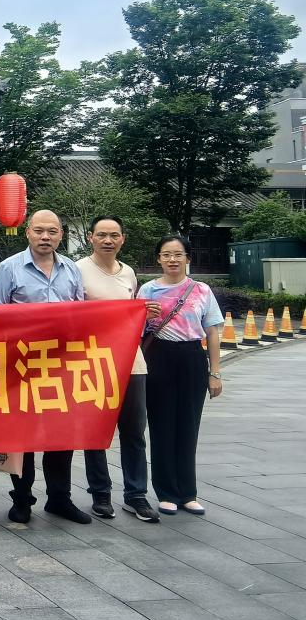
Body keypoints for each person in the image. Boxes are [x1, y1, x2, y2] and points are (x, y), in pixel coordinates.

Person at [0, 209, 92, 524]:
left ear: (61, 234)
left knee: (61, 433)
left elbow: (80, 314)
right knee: (23, 435)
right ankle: (22, 499)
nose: (45, 237)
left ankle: (60, 499)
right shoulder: (9, 268)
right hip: (22, 365)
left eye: (52, 231)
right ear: (28, 233)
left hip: (62, 366)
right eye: (39, 231)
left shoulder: (71, 269)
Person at [76, 216, 161, 523]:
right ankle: (100, 494)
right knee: (95, 432)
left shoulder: (128, 273)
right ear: (90, 237)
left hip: (131, 361)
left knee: (134, 431)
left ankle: (136, 495)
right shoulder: (77, 270)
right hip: (93, 360)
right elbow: (72, 314)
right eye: (102, 235)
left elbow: (131, 315)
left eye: (114, 235)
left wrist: (142, 314)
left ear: (123, 238)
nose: (108, 240)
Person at [139, 235, 223, 517]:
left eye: (178, 254)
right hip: (158, 356)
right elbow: (135, 329)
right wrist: (142, 316)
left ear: (188, 258)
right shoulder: (147, 290)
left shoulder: (201, 290)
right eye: (166, 254)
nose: (172, 259)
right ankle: (166, 492)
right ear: (158, 259)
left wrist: (215, 372)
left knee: (189, 425)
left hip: (192, 357)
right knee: (161, 425)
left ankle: (188, 493)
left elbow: (212, 332)